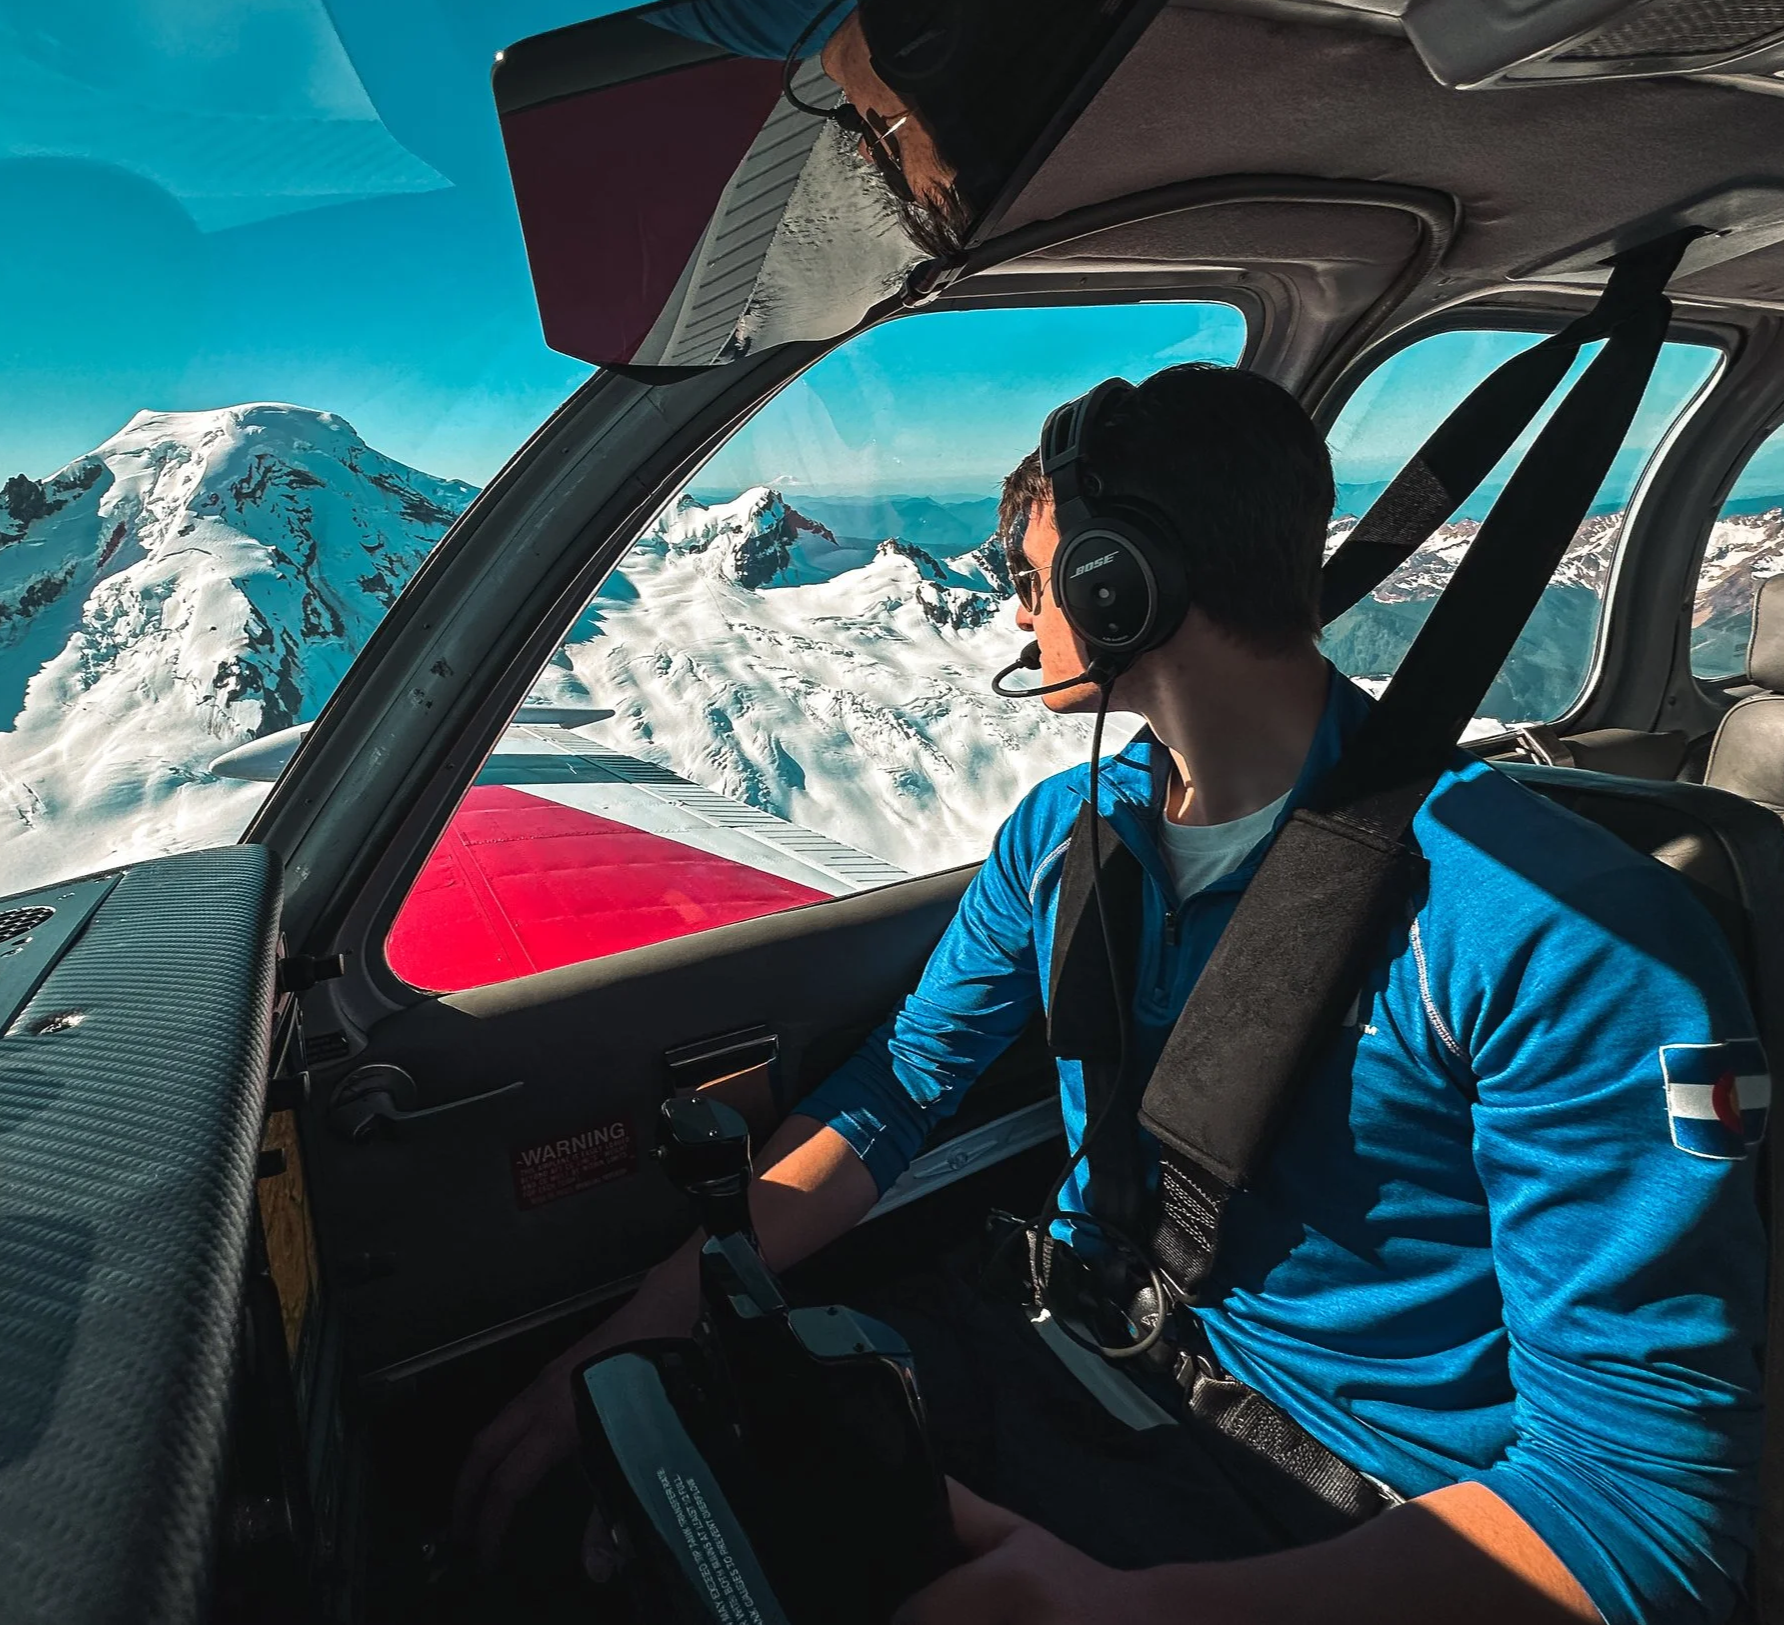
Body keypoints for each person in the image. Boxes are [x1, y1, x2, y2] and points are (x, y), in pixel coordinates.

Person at [456, 364, 1767, 1625]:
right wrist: (643, 1315)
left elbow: (1641, 1516)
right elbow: (902, 1087)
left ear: (1120, 582)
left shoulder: (1557, 933)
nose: (1019, 618)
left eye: (1032, 580)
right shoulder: (1067, 838)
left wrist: (1133, 1610)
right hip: (1058, 1338)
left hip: (1332, 1503)